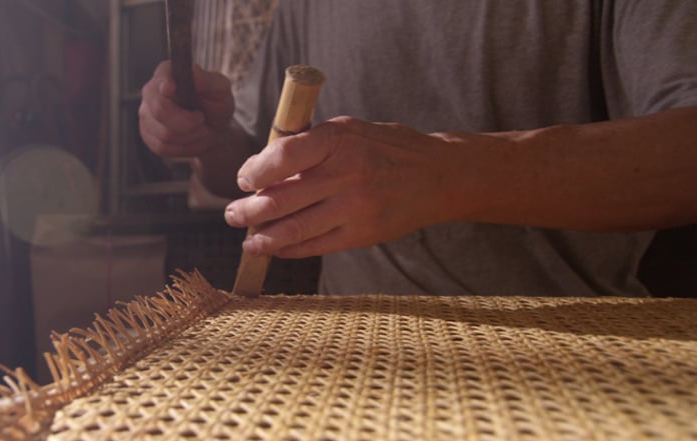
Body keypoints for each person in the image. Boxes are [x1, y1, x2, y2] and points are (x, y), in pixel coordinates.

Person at [138, 1, 697, 296]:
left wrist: (446, 174)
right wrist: (207, 138)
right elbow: (243, 172)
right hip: (350, 353)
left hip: (575, 351)